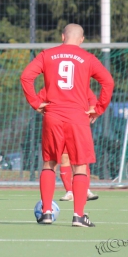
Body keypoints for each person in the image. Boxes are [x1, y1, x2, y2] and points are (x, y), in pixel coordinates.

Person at [21, 23, 114, 227]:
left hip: (52, 115)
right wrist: (98, 109)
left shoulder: (47, 54)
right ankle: (78, 216)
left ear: (62, 36)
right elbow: (108, 82)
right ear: (81, 40)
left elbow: (26, 77)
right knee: (79, 165)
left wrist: (36, 102)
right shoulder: (88, 58)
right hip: (77, 117)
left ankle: (46, 213)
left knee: (49, 163)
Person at [38, 87, 99, 202]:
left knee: (81, 159)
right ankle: (70, 191)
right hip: (59, 126)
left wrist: (92, 110)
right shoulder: (52, 85)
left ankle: (85, 190)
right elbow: (38, 100)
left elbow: (92, 99)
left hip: (77, 124)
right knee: (64, 157)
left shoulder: (80, 84)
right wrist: (47, 110)